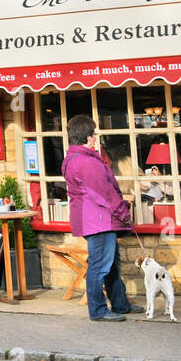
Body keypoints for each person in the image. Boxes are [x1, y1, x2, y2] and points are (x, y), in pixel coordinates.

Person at [62, 114, 142, 321]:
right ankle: (98, 310)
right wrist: (123, 212)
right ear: (88, 137)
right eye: (94, 133)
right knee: (100, 266)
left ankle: (120, 304)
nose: (96, 137)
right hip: (98, 221)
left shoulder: (73, 159)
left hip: (93, 220)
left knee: (110, 265)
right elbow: (106, 193)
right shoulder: (87, 162)